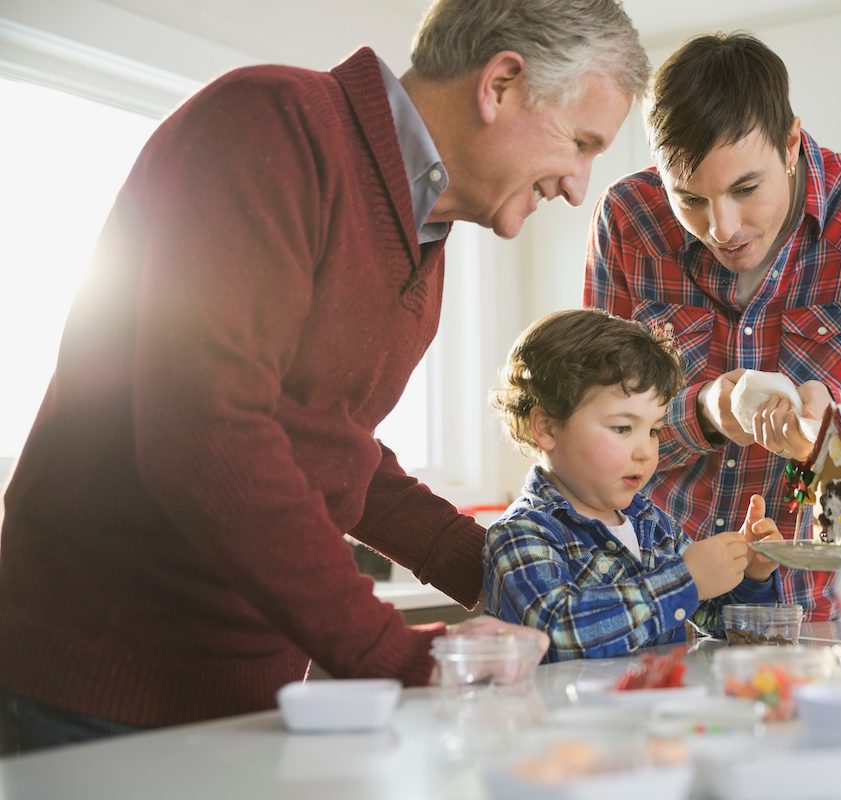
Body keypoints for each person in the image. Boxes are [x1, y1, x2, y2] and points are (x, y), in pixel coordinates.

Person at [0, 0, 649, 754]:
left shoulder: (423, 239)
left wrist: (504, 573)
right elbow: (208, 432)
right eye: (581, 142)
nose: (579, 185)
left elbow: (330, 450)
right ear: (500, 84)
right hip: (101, 686)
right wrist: (400, 654)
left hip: (247, 694)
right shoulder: (270, 124)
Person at [584, 32, 841, 620]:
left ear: (792, 143)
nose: (722, 226)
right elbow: (596, 430)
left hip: (811, 601)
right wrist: (709, 411)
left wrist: (830, 442)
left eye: (745, 189)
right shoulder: (628, 220)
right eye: (689, 198)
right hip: (653, 590)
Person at [484, 308, 783, 661]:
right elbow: (556, 632)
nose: (645, 452)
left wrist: (749, 575)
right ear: (547, 428)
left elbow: (724, 625)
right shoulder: (520, 535)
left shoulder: (655, 527)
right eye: (622, 428)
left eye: (653, 430)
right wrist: (683, 582)